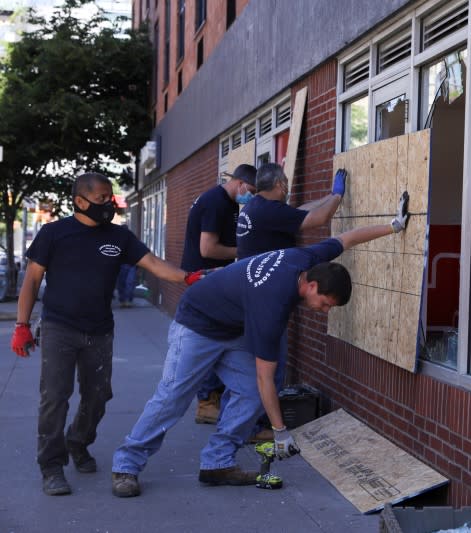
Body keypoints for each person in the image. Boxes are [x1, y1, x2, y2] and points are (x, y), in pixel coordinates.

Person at [110, 192, 410, 498]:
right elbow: (265, 377)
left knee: (249, 394)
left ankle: (217, 463)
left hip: (232, 326)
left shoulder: (307, 260)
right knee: (173, 396)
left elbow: (347, 238)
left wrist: (394, 226)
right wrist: (280, 432)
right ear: (313, 286)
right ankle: (126, 465)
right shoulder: (273, 305)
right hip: (197, 324)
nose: (324, 310)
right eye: (324, 304)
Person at [10, 172, 208, 497]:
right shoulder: (53, 234)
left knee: (98, 397)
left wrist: (187, 278)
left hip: (100, 331)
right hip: (59, 327)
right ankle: (51, 466)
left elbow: (153, 264)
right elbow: (31, 281)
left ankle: (78, 441)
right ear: (79, 201)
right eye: (102, 198)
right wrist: (21, 325)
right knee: (54, 397)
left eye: (110, 197)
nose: (109, 204)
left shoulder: (119, 237)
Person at [235, 163, 347, 440]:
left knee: (252, 368)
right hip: (266, 298)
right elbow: (318, 219)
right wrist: (337, 197)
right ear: (281, 185)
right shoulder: (268, 211)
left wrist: (327, 196)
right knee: (269, 369)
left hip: (251, 294)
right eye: (286, 185)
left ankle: (247, 425)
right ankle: (255, 426)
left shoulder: (256, 208)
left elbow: (299, 213)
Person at [181, 164, 257, 426]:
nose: (252, 197)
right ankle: (206, 401)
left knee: (219, 338)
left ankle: (211, 399)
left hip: (211, 280)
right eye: (252, 191)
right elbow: (208, 248)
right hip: (205, 279)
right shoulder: (216, 202)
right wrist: (243, 252)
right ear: (240, 184)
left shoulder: (226, 202)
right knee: (212, 339)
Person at [116, 225, 138, 307]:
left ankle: (128, 300)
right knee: (121, 283)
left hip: (131, 265)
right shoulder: (117, 241)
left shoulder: (132, 240)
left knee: (130, 282)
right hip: (121, 265)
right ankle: (122, 300)